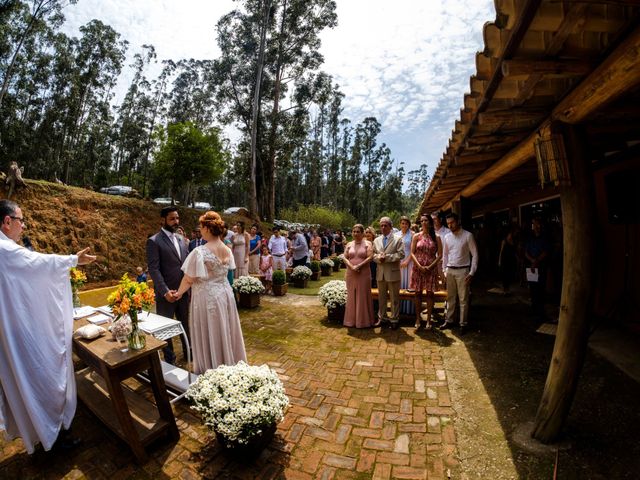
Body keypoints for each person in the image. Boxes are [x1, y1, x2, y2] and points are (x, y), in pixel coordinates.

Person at [0, 199, 96, 453]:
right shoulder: (5, 249)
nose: (24, 226)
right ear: (7, 221)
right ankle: (51, 434)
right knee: (41, 376)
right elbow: (38, 265)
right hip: (20, 333)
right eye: (21, 220)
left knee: (25, 382)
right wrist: (74, 260)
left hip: (10, 329)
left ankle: (42, 432)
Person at [174, 211, 247, 373]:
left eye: (201, 227)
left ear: (207, 228)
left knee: (210, 331)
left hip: (206, 298)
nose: (200, 230)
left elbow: (188, 279)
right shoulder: (227, 249)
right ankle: (229, 363)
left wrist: (178, 294)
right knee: (225, 329)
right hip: (225, 295)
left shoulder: (200, 252)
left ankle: (211, 368)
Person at [146, 206, 190, 364]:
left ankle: (188, 354)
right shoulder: (154, 241)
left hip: (183, 292)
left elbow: (185, 265)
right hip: (166, 295)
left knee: (186, 324)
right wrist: (165, 292)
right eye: (172, 219)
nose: (176, 222)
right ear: (162, 220)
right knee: (165, 329)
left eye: (177, 218)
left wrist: (186, 288)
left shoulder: (182, 240)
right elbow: (154, 269)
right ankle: (169, 359)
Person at [439, 213, 478, 335]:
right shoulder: (447, 237)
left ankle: (463, 323)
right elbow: (445, 255)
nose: (450, 225)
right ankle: (449, 320)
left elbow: (475, 255)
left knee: (463, 299)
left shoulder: (468, 236)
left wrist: (472, 272)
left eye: (452, 222)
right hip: (450, 270)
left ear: (458, 221)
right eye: (448, 223)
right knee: (450, 298)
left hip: (463, 270)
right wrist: (444, 270)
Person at [372, 217, 405, 330]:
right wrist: (378, 258)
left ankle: (394, 319)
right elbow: (373, 255)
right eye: (381, 225)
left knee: (394, 298)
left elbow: (401, 254)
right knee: (381, 298)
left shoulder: (398, 239)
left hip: (393, 273)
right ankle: (382, 318)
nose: (383, 227)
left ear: (391, 227)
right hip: (380, 273)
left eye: (385, 225)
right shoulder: (376, 240)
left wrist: (387, 257)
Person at [410, 214, 442, 330]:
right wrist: (419, 266)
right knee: (417, 293)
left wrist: (430, 267)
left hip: (431, 269)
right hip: (418, 269)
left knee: (430, 294)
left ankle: (428, 319)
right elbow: (412, 253)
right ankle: (418, 318)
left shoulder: (436, 237)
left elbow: (440, 255)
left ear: (430, 222)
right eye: (422, 220)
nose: (423, 222)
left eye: (426, 220)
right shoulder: (416, 236)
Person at [343, 224, 375, 328]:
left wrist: (359, 265)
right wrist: (351, 266)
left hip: (364, 273)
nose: (356, 234)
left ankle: (363, 321)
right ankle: (350, 321)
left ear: (362, 233)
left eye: (358, 232)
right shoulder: (349, 244)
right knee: (351, 295)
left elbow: (370, 257)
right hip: (351, 273)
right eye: (354, 231)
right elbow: (344, 257)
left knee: (363, 296)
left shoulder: (367, 243)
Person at [525, 217, 550, 320]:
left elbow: (546, 251)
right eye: (533, 224)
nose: (534, 226)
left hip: (541, 266)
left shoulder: (545, 238)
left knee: (540, 288)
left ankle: (541, 311)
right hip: (532, 266)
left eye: (536, 224)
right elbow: (526, 252)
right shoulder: (530, 238)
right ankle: (534, 309)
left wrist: (536, 261)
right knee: (533, 288)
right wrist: (532, 261)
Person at [396, 216, 415, 316]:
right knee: (399, 283)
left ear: (409, 225)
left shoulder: (412, 234)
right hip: (398, 261)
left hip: (409, 261)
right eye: (402, 223)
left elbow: (413, 250)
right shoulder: (396, 234)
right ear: (400, 224)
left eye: (406, 223)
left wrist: (407, 261)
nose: (404, 225)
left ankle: (409, 309)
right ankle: (399, 308)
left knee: (408, 283)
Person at [431, 211, 450, 288]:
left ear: (440, 219)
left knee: (446, 281)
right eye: (432, 219)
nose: (433, 221)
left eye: (435, 219)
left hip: (445, 261)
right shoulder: (430, 233)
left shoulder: (448, 232)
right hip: (432, 262)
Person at [498, 228, 517, 295]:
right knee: (504, 275)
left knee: (509, 275)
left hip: (511, 260)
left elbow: (514, 252)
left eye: (511, 234)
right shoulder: (504, 241)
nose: (510, 236)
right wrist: (499, 260)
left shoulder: (513, 241)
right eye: (509, 234)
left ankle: (508, 289)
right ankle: (504, 290)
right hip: (504, 260)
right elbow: (501, 251)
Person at [364, 226, 379, 314]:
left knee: (374, 286)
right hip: (365, 267)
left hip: (374, 267)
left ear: (373, 234)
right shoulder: (363, 243)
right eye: (366, 232)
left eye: (369, 232)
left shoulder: (376, 243)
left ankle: (375, 309)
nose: (367, 234)